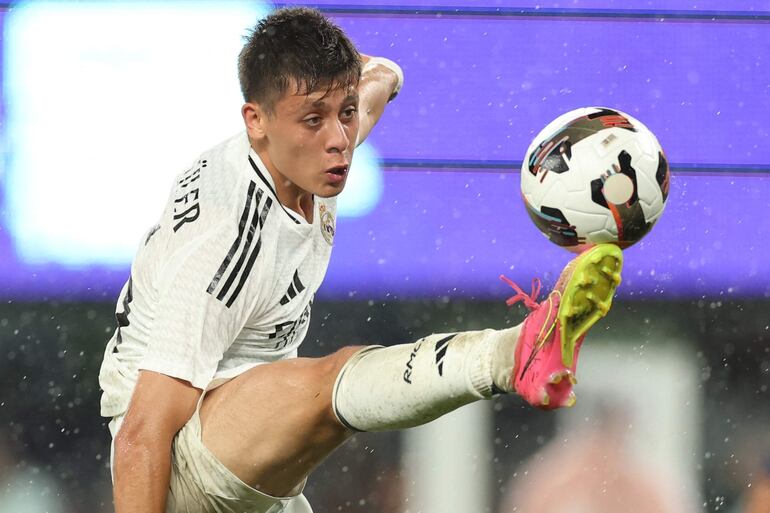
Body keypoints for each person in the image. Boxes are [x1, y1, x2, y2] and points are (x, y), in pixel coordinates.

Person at [98, 7, 624, 513]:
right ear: (255, 121)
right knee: (327, 384)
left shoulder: (307, 155)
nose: (340, 142)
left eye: (346, 114)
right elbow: (142, 435)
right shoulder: (225, 243)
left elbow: (375, 83)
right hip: (175, 460)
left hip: (246, 454)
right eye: (313, 120)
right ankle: (511, 355)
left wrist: (378, 78)